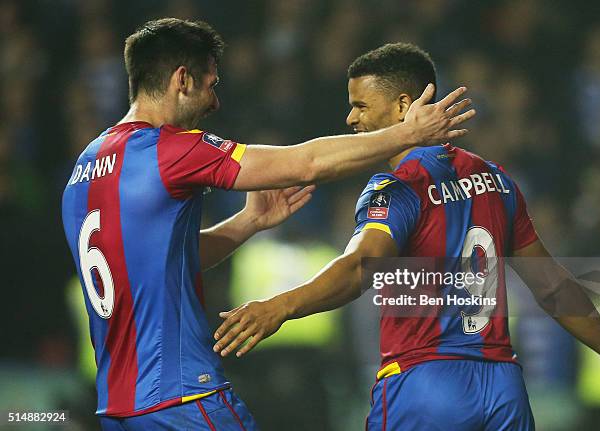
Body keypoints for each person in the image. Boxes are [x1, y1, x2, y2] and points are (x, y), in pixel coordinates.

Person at [61, 18, 475, 431]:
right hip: (182, 397)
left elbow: (160, 261)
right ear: (182, 80)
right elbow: (307, 163)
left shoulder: (86, 166)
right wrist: (407, 133)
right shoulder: (168, 150)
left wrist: (247, 222)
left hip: (117, 407)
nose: (215, 101)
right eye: (211, 84)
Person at [213, 43, 600, 430]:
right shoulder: (497, 180)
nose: (351, 118)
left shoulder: (397, 187)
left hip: (425, 383)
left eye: (361, 105)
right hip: (503, 388)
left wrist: (279, 307)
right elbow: (555, 288)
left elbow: (360, 267)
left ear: (404, 106)